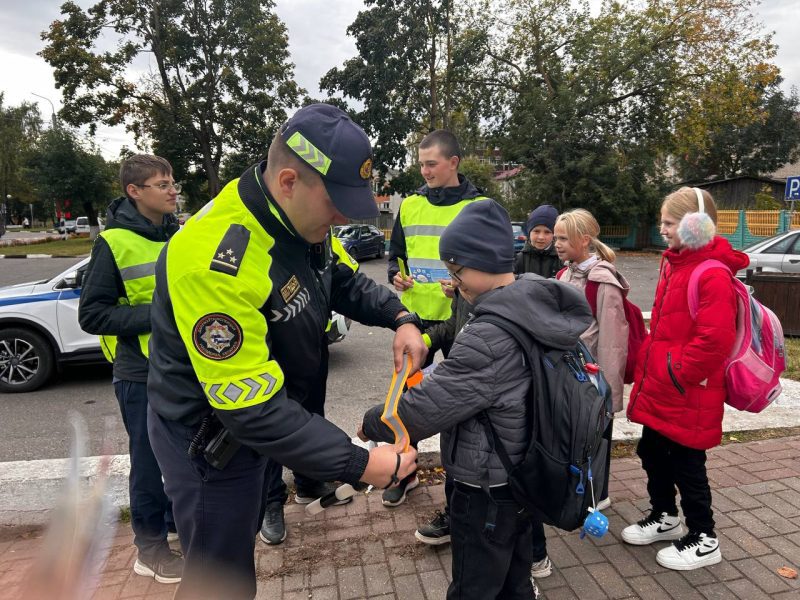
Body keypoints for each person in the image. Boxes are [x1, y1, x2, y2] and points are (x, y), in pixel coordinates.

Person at [146, 103, 424, 600]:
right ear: (290, 180)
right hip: (211, 443)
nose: (343, 216)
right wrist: (360, 464)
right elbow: (251, 409)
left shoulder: (299, 221)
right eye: (336, 202)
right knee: (220, 579)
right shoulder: (214, 261)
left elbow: (338, 277)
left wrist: (400, 318)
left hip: (262, 426)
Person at [361, 199, 592, 600]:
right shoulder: (528, 304)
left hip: (483, 486)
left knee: (474, 586)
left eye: (456, 270)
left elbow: (423, 410)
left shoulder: (489, 335)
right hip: (521, 471)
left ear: (480, 264)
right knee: (516, 580)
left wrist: (372, 421)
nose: (454, 281)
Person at [623, 187, 746, 570]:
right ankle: (665, 516)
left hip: (687, 392)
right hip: (664, 386)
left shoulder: (711, 273)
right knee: (653, 452)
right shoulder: (675, 263)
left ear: (696, 226)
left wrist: (676, 374)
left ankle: (704, 537)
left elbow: (714, 340)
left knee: (688, 466)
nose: (663, 230)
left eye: (670, 223)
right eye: (662, 221)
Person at [78, 154, 183, 584]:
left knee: (180, 455)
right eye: (162, 184)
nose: (173, 188)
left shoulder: (177, 235)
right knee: (148, 460)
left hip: (179, 367)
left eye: (173, 181)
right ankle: (150, 550)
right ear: (134, 192)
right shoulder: (113, 243)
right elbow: (93, 315)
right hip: (140, 373)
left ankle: (175, 524)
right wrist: (157, 314)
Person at [386, 129, 485, 509]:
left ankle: (458, 493)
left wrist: (464, 286)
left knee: (462, 409)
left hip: (464, 322)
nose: (424, 171)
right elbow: (397, 257)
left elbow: (491, 268)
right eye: (421, 163)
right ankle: (405, 473)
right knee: (406, 401)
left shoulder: (478, 206)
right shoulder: (409, 205)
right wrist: (396, 277)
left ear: (454, 163)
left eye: (431, 164)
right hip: (418, 320)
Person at [514, 204, 563, 278]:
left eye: (547, 232)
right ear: (529, 232)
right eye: (536, 231)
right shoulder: (518, 260)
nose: (541, 237)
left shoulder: (562, 259)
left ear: (554, 234)